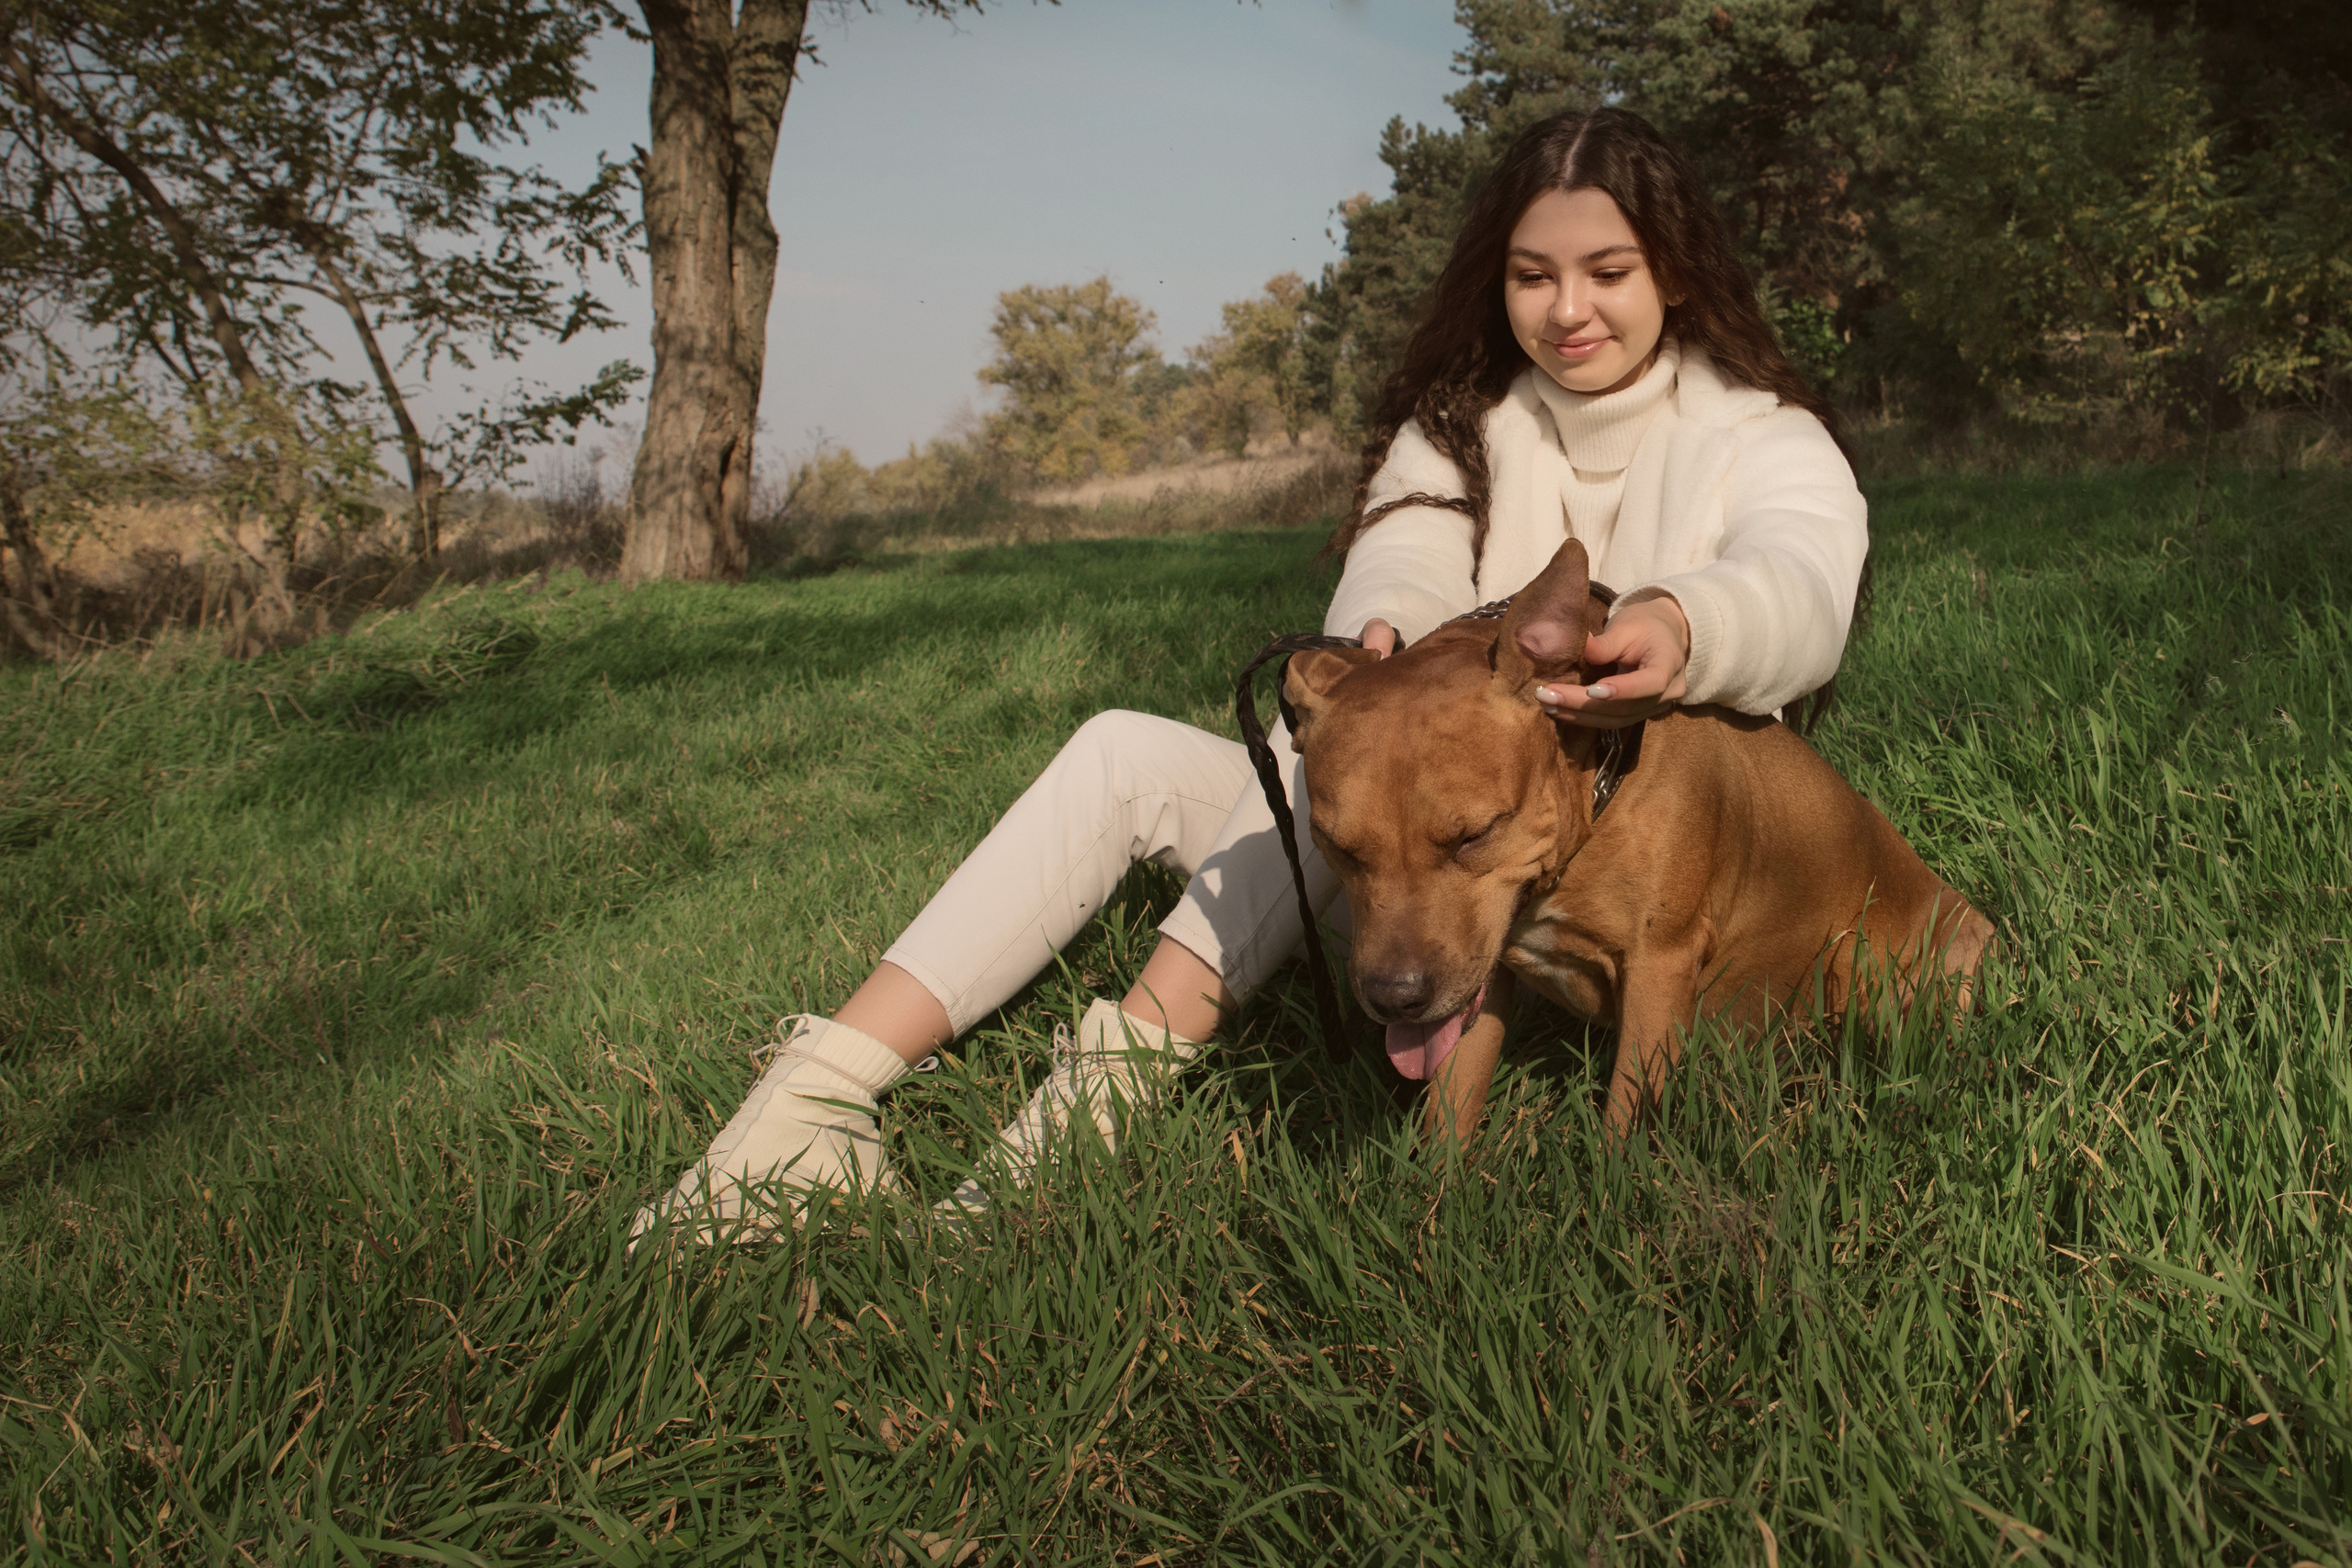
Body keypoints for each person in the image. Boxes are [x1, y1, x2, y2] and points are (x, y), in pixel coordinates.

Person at [629, 106, 1868, 1242]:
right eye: (1532, 275)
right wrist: (1377, 636)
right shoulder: (1460, 427)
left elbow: (1801, 579)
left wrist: (1688, 621)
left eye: (1608, 272)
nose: (1566, 310)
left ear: (1676, 274)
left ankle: (1075, 1132)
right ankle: (814, 1102)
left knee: (1312, 757)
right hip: (1416, 837)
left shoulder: (1758, 433)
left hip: (1577, 844)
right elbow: (1405, 555)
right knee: (1156, 747)